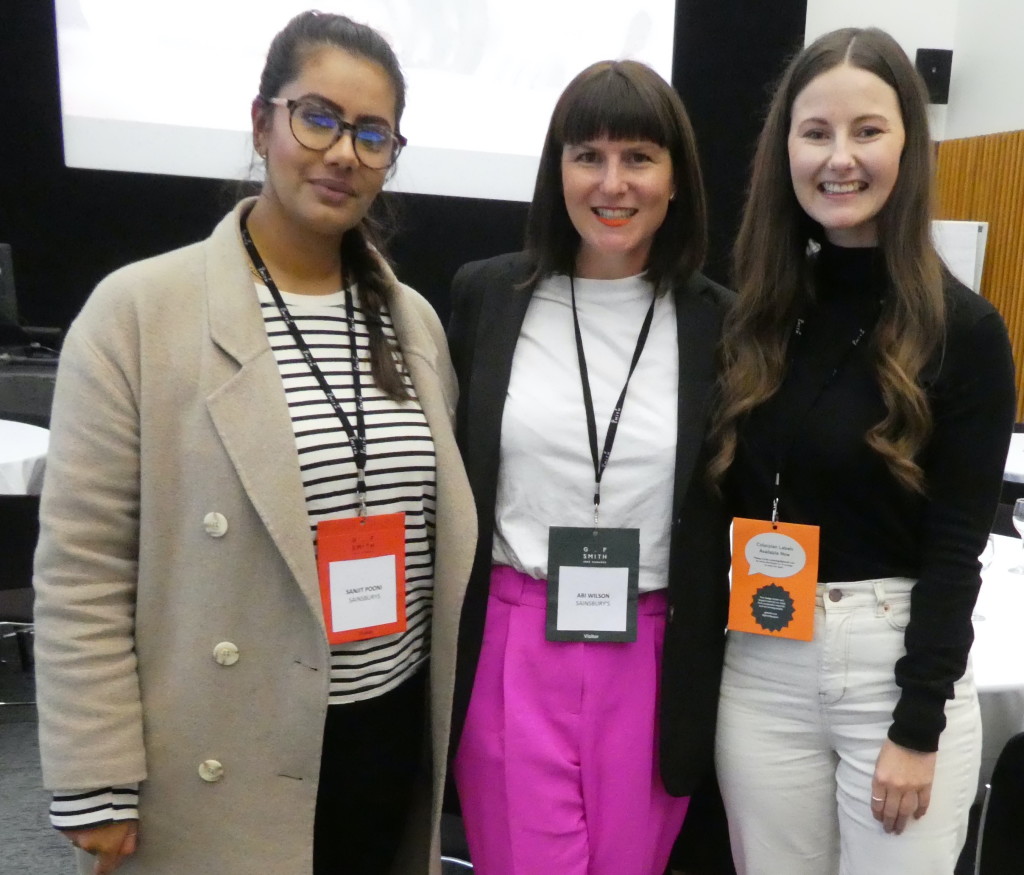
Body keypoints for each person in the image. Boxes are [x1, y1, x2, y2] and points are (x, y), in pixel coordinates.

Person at [32, 11, 475, 875]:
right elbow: (82, 565)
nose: (344, 152)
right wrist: (97, 777)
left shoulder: (414, 322)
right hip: (224, 741)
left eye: (373, 134)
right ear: (261, 121)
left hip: (386, 728)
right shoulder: (139, 313)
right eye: (318, 117)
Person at [708, 27, 1016, 875]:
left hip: (893, 670)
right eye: (816, 132)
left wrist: (917, 726)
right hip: (762, 658)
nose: (839, 158)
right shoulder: (758, 317)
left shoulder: (966, 331)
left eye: (868, 130)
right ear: (786, 150)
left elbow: (959, 548)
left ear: (909, 147)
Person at [447, 60, 733, 875]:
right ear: (557, 170)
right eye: (588, 155)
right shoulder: (488, 296)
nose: (613, 182)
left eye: (639, 157)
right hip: (512, 633)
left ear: (676, 178)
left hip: (655, 647)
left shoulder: (723, 323)